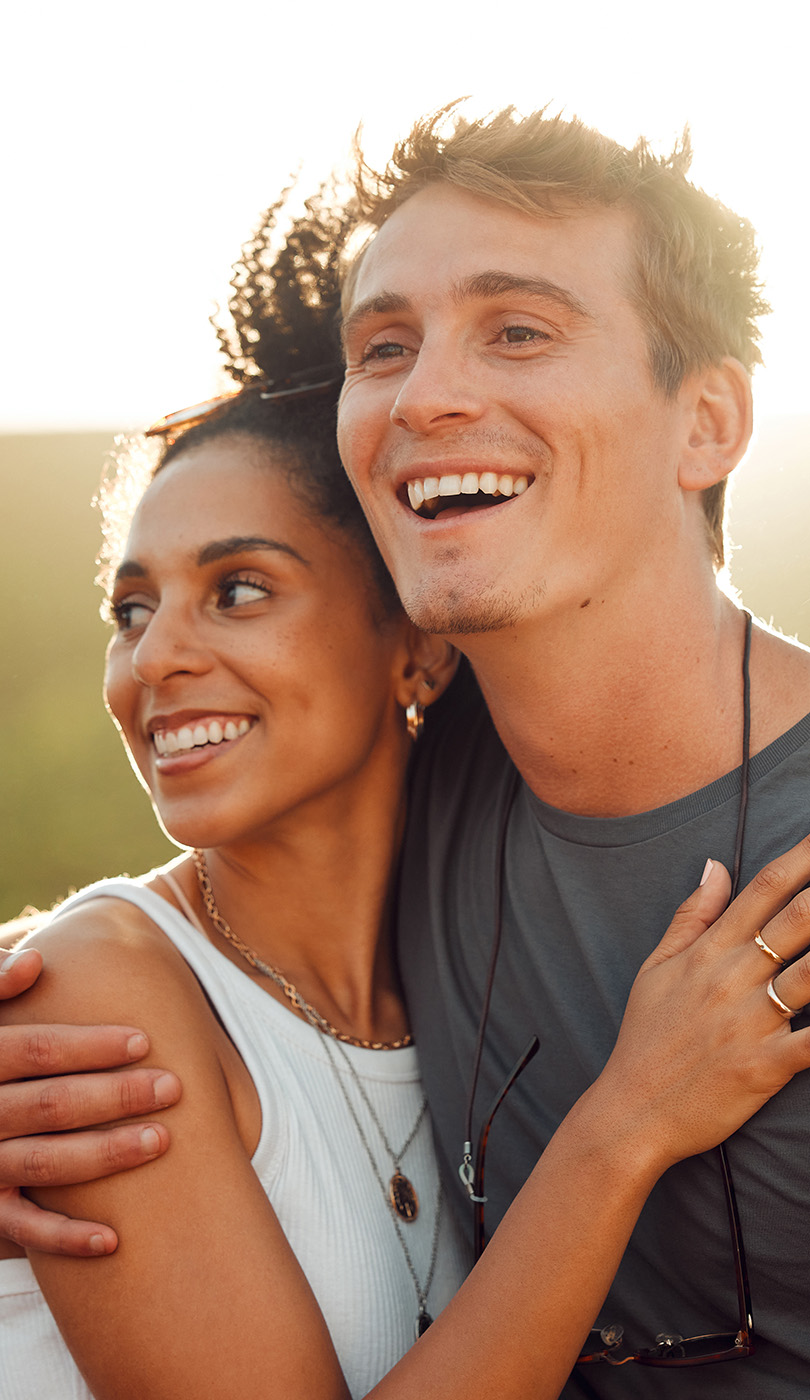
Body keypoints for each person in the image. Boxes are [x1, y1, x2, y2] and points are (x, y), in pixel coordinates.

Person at [2, 120, 810, 1399]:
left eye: (519, 330)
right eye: (385, 347)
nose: (427, 393)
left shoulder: (491, 768)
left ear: (707, 420)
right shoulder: (111, 1014)